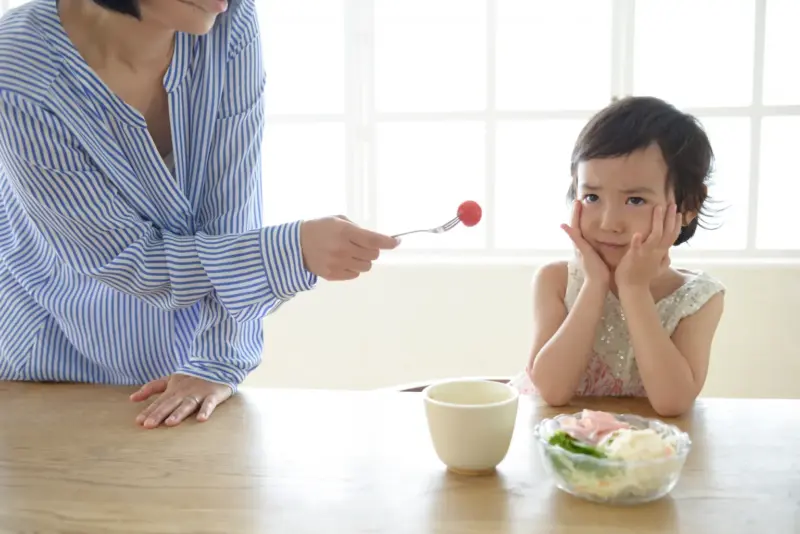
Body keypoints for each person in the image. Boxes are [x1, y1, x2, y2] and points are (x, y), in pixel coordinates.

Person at [0, 0, 399, 428]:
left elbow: (233, 214)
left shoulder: (229, 23)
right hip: (48, 370)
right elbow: (125, 260)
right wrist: (289, 251)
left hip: (180, 377)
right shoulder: (19, 73)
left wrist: (218, 361)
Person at [509, 96, 726, 417]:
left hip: (643, 456)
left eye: (635, 200)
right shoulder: (556, 281)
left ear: (689, 205)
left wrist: (634, 290)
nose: (609, 223)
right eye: (592, 196)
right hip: (557, 451)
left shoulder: (697, 297)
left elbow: (673, 402)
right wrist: (595, 284)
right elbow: (552, 391)